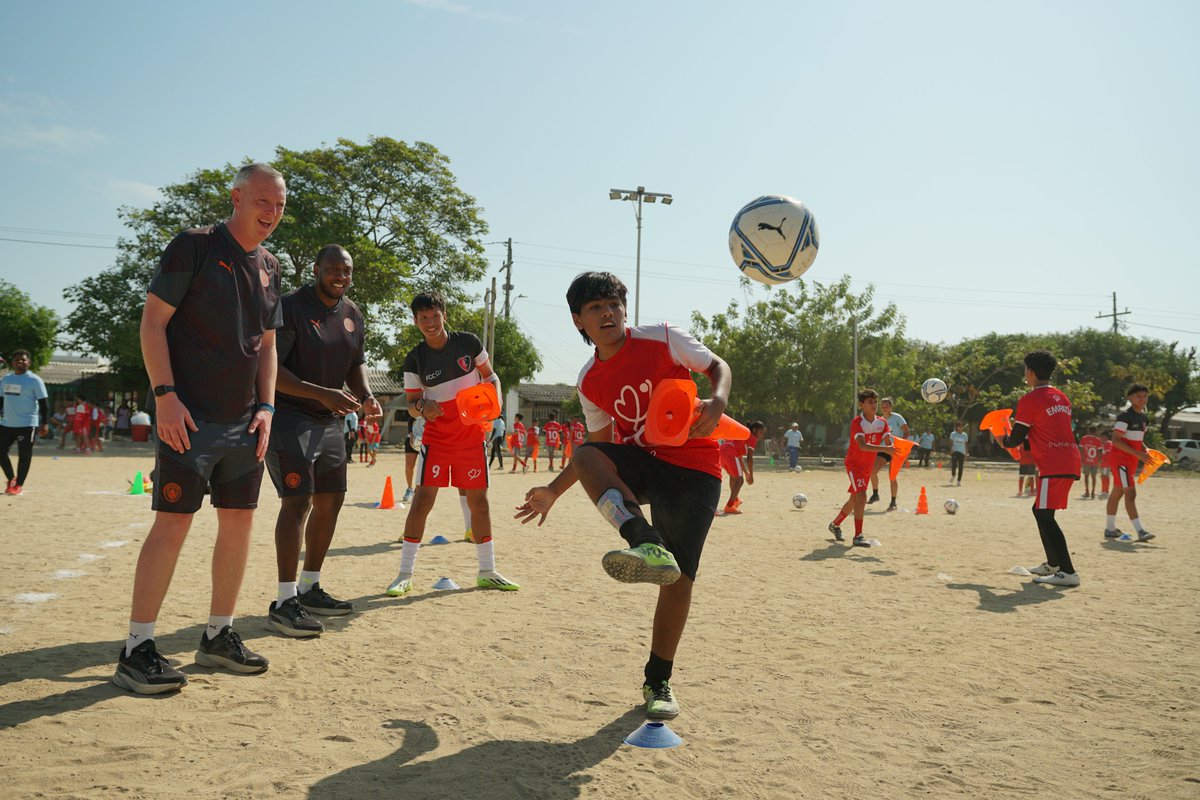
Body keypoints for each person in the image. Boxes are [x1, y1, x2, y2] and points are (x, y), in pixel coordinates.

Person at [515, 271, 731, 721]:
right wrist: (552, 492)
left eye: (613, 304)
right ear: (579, 321)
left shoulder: (664, 338)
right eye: (595, 308)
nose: (607, 313)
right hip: (647, 467)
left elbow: (717, 367)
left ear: (624, 309)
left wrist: (718, 401)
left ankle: (658, 681)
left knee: (679, 579)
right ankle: (642, 540)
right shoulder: (589, 381)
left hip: (696, 469)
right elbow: (599, 449)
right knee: (588, 452)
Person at [112, 163, 286, 695]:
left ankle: (217, 636)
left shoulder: (271, 266)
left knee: (238, 525)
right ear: (235, 197)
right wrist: (165, 397)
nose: (272, 214)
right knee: (173, 525)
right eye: (262, 202)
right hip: (187, 420)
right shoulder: (194, 245)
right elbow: (153, 323)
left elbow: (268, 346)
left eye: (279, 206)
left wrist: (267, 408)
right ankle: (136, 648)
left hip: (245, 424)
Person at [264, 244, 380, 638]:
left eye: (346, 271)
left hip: (329, 420)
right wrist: (323, 394)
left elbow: (355, 362)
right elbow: (271, 371)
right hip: (290, 417)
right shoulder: (291, 307)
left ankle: (310, 586)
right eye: (333, 270)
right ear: (316, 270)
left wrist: (365, 396)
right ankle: (284, 600)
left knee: (332, 499)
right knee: (297, 502)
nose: (340, 277)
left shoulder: (352, 313)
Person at [385, 291, 519, 597]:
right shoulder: (415, 358)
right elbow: (412, 404)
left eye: (435, 315)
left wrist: (495, 398)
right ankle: (404, 574)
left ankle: (487, 571)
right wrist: (423, 409)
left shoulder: (468, 343)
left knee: (479, 504)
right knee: (421, 503)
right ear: (416, 321)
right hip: (437, 440)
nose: (430, 323)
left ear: (444, 315)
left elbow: (491, 376)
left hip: (472, 439)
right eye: (423, 318)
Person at [993, 349, 1082, 587]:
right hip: (1069, 458)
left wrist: (1002, 438)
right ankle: (1053, 565)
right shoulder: (1062, 397)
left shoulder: (1030, 399)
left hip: (1054, 463)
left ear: (1030, 372)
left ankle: (1068, 571)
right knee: (1042, 511)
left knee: (1043, 514)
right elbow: (1038, 434)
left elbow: (1016, 439)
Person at [828, 390, 893, 547]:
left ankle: (835, 525)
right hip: (854, 465)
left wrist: (894, 448)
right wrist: (885, 449)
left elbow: (889, 441)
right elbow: (862, 446)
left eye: (875, 402)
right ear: (861, 405)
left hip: (867, 467)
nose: (874, 405)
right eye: (870, 402)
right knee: (862, 497)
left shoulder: (882, 422)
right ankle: (858, 536)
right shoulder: (857, 423)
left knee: (854, 499)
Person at [1104, 384, 1155, 542]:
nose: (1142, 399)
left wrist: (1146, 450)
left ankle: (1110, 529)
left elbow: (1137, 441)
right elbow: (1116, 440)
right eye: (1139, 396)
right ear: (1130, 398)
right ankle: (1140, 531)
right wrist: (1137, 453)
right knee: (1130, 494)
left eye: (1145, 396)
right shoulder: (1125, 416)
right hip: (1121, 460)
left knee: (1116, 494)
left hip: (1130, 460)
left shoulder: (1144, 418)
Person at [1, 349, 49, 495]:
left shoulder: (35, 380)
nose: (20, 362)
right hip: (6, 424)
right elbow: (0, 400)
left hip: (27, 424)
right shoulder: (6, 379)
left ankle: (18, 485)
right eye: (17, 360)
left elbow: (44, 404)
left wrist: (45, 423)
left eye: (23, 360)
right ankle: (11, 479)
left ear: (29, 362)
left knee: (25, 455)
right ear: (13, 363)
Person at [869, 397, 909, 510]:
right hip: (885, 449)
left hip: (896, 450)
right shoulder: (880, 420)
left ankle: (893, 502)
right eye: (882, 405)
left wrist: (902, 445)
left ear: (891, 407)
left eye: (886, 405)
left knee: (892, 477)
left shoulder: (897, 418)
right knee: (872, 471)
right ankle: (875, 494)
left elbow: (907, 432)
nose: (884, 407)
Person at [719, 421, 765, 514]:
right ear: (754, 430)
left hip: (721, 451)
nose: (762, 435)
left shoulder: (744, 433)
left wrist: (746, 473)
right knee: (740, 481)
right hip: (730, 453)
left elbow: (739, 458)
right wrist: (751, 475)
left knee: (734, 477)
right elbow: (749, 458)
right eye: (761, 432)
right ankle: (729, 506)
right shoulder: (752, 437)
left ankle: (735, 500)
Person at [1078, 426, 1103, 499]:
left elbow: (1081, 449)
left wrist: (1082, 459)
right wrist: (1098, 461)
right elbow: (1099, 451)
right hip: (1094, 462)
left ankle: (1087, 491)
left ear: (1088, 431)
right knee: (1094, 477)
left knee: (1086, 476)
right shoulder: (1098, 440)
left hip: (1086, 461)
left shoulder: (1084, 438)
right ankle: (1093, 492)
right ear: (1095, 432)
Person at [403, 415, 424, 502]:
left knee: (423, 468)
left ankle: (418, 491)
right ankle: (409, 489)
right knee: (409, 466)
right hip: (413, 438)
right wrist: (410, 434)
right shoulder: (421, 404)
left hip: (427, 440)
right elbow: (411, 419)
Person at [948, 421, 968, 486]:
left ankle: (959, 480)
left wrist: (966, 452)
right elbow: (950, 442)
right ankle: (953, 475)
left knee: (961, 467)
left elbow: (965, 444)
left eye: (961, 426)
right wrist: (951, 449)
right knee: (954, 464)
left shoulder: (965, 435)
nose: (960, 428)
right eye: (958, 426)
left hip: (962, 452)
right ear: (957, 427)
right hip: (955, 451)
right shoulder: (953, 434)